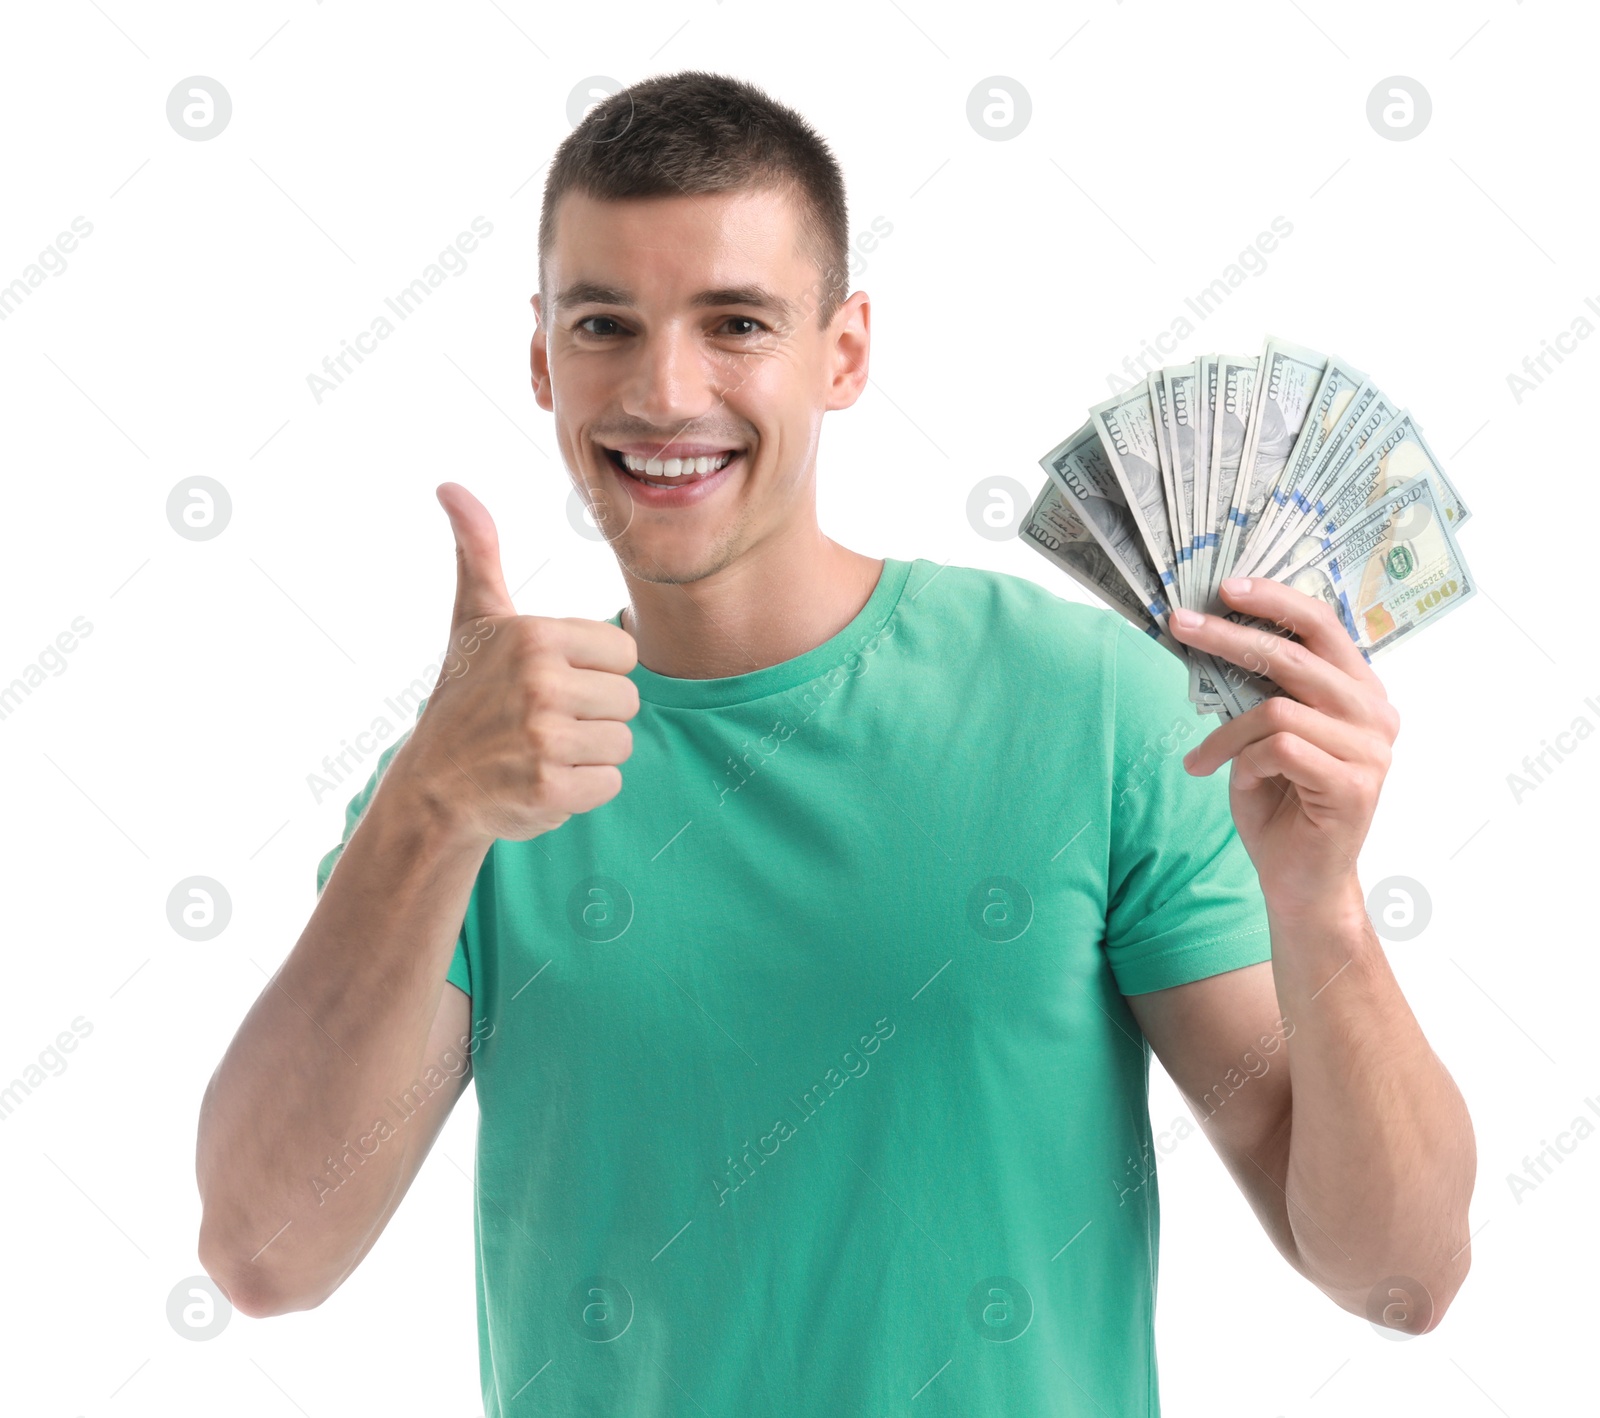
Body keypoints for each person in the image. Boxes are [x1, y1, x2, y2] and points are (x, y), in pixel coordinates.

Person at [195, 69, 1475, 1416]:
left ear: (844, 349)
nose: (664, 390)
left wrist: (1322, 901)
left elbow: (1400, 1274)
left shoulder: (1086, 704)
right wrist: (425, 810)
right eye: (603, 325)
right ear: (540, 357)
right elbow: (265, 1252)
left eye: (735, 321)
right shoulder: (486, 762)